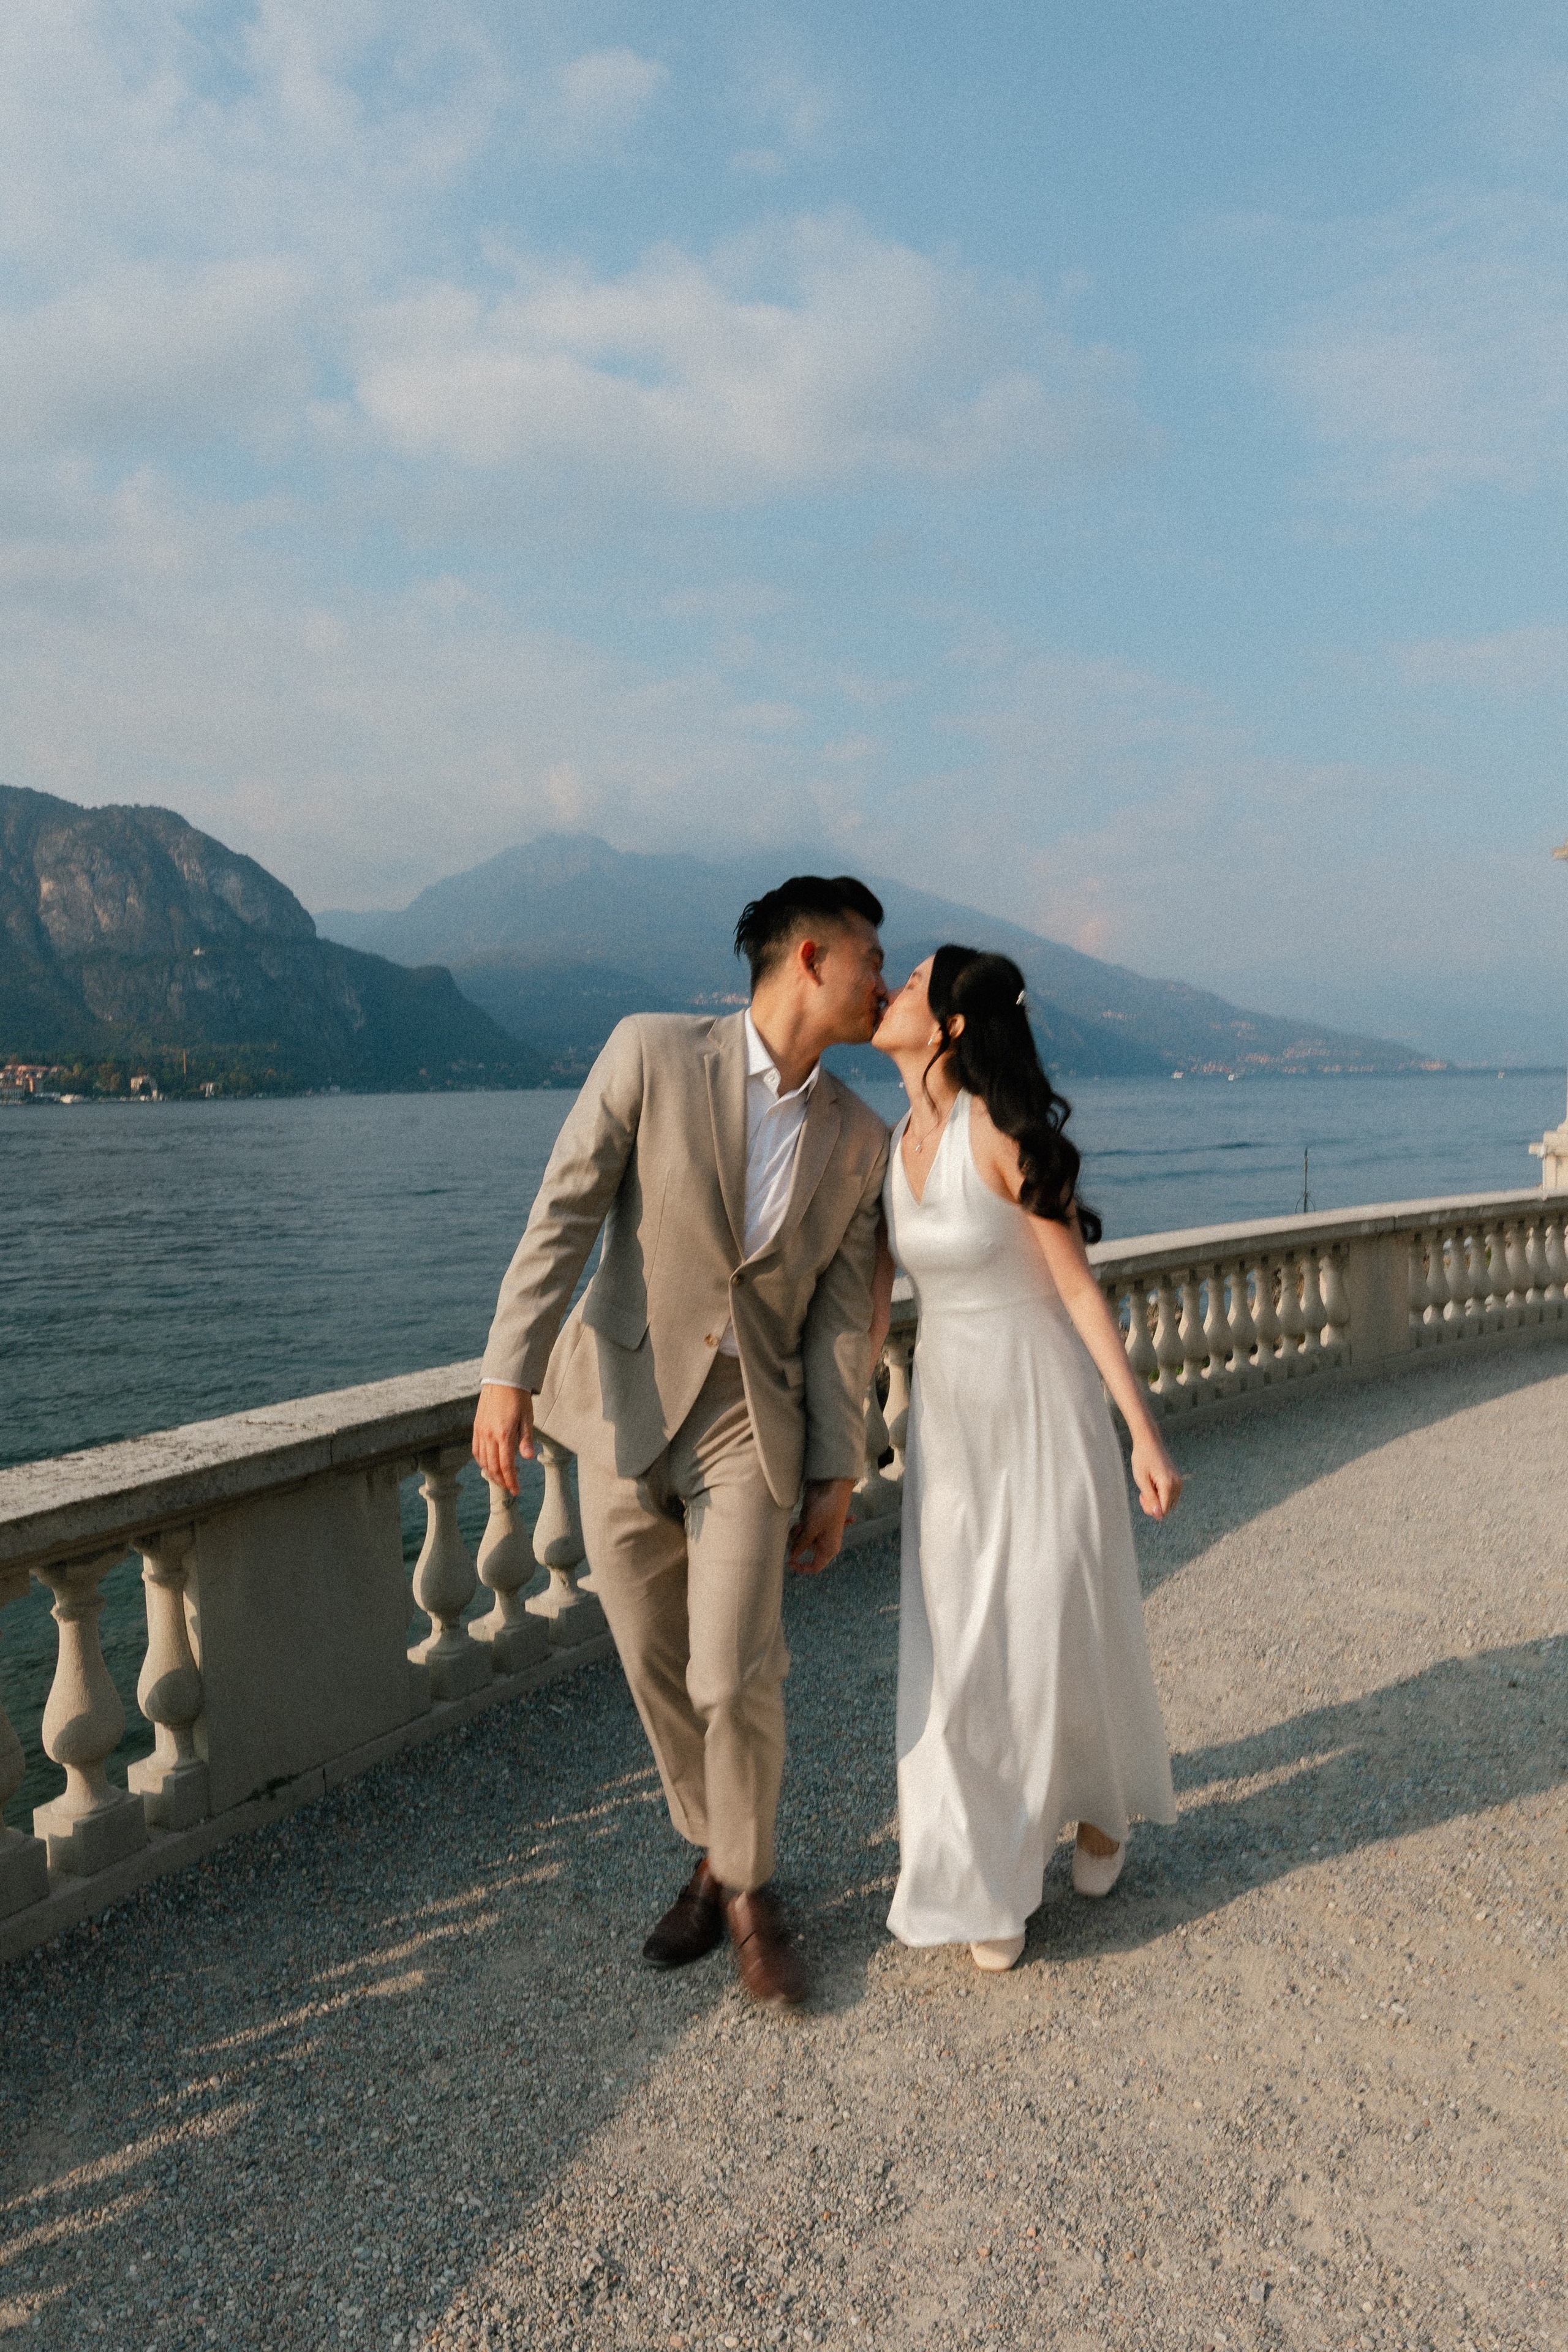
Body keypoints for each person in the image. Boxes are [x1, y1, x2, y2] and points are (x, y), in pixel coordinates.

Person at [472, 876, 891, 2008]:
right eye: (869, 959)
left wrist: (840, 1468)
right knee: (657, 1661)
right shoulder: (652, 1052)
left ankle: (747, 1893)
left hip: (752, 1424)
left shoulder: (861, 1137)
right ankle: (711, 1846)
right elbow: (563, 1210)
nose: (881, 981)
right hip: (617, 1406)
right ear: (809, 958)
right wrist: (507, 1370)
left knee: (736, 1668)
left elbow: (848, 1315)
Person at [872, 945, 1180, 1972]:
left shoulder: (1003, 1136)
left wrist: (1140, 1432)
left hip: (1042, 1406)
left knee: (1053, 1622)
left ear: (953, 1028)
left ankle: (1100, 1805)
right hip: (951, 1422)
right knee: (960, 1653)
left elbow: (1081, 1292)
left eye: (912, 985)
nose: (892, 993)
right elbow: (876, 1317)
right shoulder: (891, 1147)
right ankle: (986, 1877)